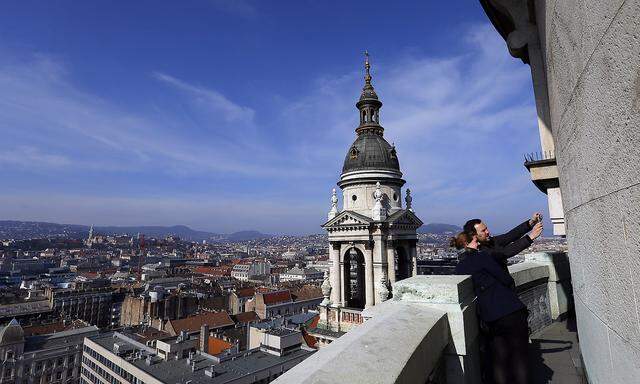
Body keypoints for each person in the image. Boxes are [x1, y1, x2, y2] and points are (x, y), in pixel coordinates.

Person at [451, 230, 539, 384]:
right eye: (475, 241)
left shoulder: (459, 268)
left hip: (489, 317)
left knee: (499, 361)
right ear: (467, 243)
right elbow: (505, 278)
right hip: (510, 311)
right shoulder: (482, 257)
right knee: (519, 358)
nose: (479, 243)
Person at [463, 213, 544, 274]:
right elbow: (504, 253)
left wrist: (531, 222)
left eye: (486, 228)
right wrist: (531, 237)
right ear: (473, 235)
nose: (487, 232)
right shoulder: (478, 252)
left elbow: (510, 236)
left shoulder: (489, 241)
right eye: (483, 231)